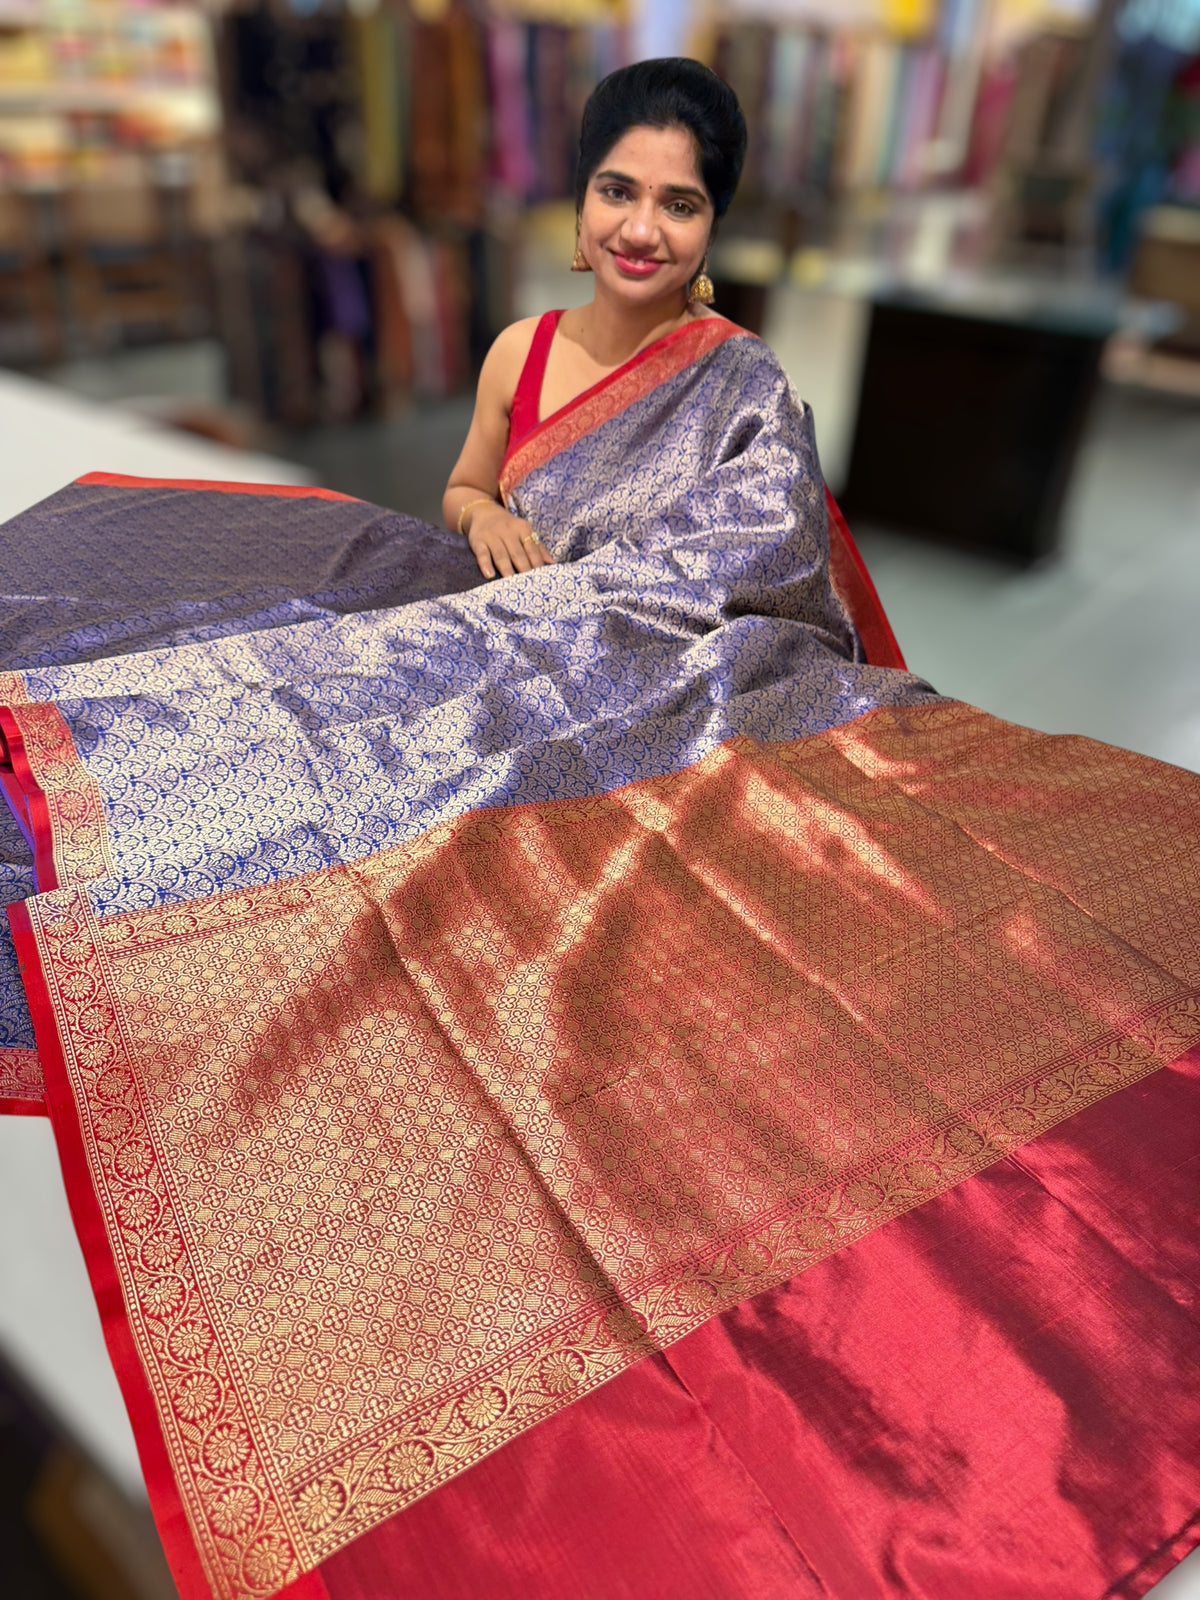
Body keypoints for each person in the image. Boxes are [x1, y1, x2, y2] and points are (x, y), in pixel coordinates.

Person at [444, 57, 740, 581]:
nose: (641, 231)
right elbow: (464, 489)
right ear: (582, 202)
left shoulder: (740, 385)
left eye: (679, 206)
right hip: (511, 643)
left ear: (711, 230)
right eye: (617, 193)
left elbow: (772, 579)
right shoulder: (519, 352)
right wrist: (482, 515)